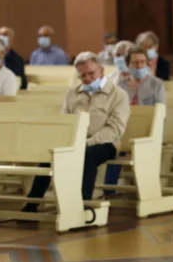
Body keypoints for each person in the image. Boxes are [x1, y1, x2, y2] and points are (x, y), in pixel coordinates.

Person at [22, 51, 129, 212]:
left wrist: (87, 143)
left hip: (106, 143)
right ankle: (32, 203)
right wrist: (72, 142)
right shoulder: (72, 93)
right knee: (50, 156)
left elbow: (115, 129)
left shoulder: (118, 95)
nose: (88, 79)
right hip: (75, 141)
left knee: (87, 156)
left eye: (91, 73)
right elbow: (66, 121)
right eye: (83, 76)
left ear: (101, 70)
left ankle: (82, 204)